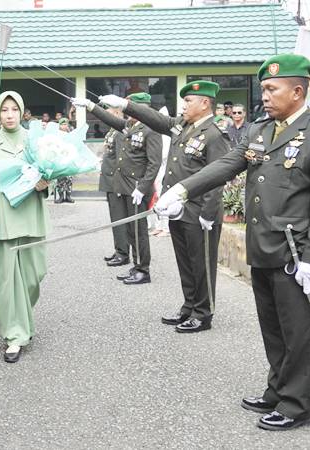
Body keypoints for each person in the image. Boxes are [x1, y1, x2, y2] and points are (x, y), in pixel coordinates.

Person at [154, 54, 310, 431]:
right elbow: (228, 164)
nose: (266, 96)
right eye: (264, 89)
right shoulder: (260, 130)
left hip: (295, 253)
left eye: (273, 89)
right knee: (273, 328)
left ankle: (296, 405)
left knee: (300, 333)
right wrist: (182, 188)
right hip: (264, 246)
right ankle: (277, 390)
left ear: (297, 90)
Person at [94, 80, 230, 333]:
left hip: (200, 211)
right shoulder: (182, 126)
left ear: (205, 103)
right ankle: (189, 306)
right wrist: (125, 104)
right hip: (179, 209)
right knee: (185, 262)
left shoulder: (214, 134)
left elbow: (218, 175)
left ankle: (203, 313)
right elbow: (155, 119)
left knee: (202, 264)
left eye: (189, 101)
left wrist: (208, 213)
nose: (184, 105)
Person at [0, 91, 50, 362]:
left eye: (14, 109)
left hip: (32, 216)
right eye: (4, 110)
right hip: (3, 219)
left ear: (22, 112)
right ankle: (15, 335)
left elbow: (51, 171)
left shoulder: (35, 141)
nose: (9, 114)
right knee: (5, 282)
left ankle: (22, 319)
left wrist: (47, 183)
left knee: (35, 275)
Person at [73, 92, 163, 283]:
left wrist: (143, 188)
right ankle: (136, 266)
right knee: (130, 229)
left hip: (138, 188)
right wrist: (90, 105)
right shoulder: (130, 126)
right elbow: (110, 119)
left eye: (131, 106)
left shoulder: (151, 129)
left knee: (139, 231)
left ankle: (143, 270)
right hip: (126, 186)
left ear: (142, 108)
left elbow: (154, 164)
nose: (126, 110)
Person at [94, 105, 131, 268]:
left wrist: (118, 184)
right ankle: (119, 250)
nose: (104, 117)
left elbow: (120, 161)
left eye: (107, 114)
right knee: (115, 219)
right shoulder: (112, 131)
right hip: (109, 180)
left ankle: (123, 253)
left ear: (117, 113)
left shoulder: (120, 131)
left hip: (115, 182)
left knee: (119, 218)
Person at [54, 118, 75, 204]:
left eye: (65, 124)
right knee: (60, 178)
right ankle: (61, 196)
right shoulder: (56, 135)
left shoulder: (71, 134)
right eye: (62, 124)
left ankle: (68, 196)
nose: (64, 126)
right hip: (60, 158)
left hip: (69, 158)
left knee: (69, 178)